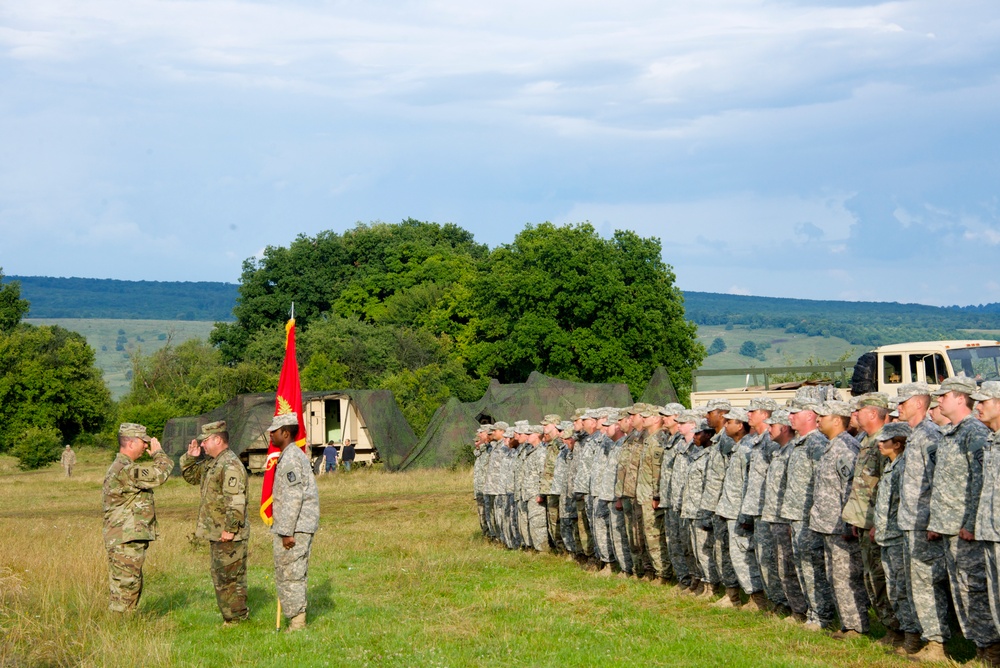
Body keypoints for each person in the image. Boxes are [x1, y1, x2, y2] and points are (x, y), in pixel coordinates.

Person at [928, 375, 1000, 659]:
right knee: (967, 589)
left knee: (977, 588)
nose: (978, 405)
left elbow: (977, 482)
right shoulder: (972, 433)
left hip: (973, 527)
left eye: (984, 401)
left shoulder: (975, 432)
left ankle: (990, 649)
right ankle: (982, 649)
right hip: (970, 525)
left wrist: (969, 522)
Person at [180, 420, 250, 625]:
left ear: (218, 439)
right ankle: (233, 619)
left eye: (205, 441)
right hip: (218, 532)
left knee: (229, 580)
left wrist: (230, 530)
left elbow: (236, 500)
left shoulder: (229, 464)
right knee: (223, 578)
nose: (202, 445)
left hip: (229, 533)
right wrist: (189, 458)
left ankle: (236, 620)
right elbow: (192, 477)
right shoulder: (214, 462)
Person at [102, 423, 172, 613]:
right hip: (125, 539)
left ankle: (122, 628)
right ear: (131, 443)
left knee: (127, 587)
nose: (146, 446)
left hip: (125, 538)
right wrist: (159, 454)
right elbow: (160, 474)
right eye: (144, 442)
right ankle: (121, 630)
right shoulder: (126, 469)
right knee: (126, 589)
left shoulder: (123, 467)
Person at [269, 413, 320, 631]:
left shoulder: (290, 458)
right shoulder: (290, 455)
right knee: (291, 571)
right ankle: (297, 618)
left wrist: (287, 532)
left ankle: (297, 623)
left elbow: (292, 497)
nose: (270, 434)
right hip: (296, 526)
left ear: (285, 433)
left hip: (295, 528)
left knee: (292, 574)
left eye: (274, 431)